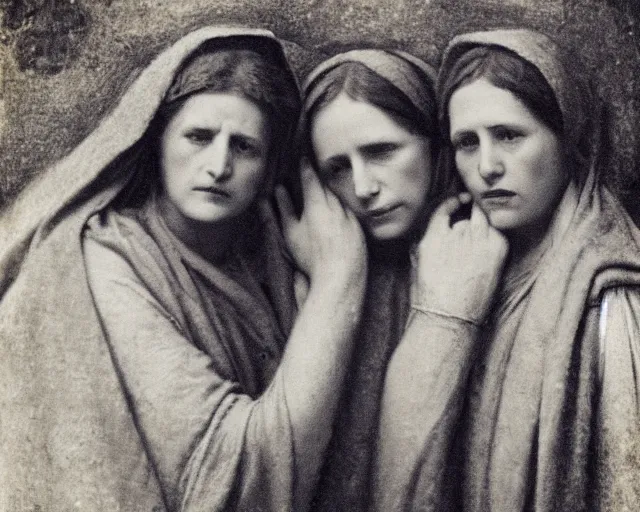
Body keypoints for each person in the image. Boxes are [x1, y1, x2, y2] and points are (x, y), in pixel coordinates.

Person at [0, 26, 368, 511]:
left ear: (269, 164)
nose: (218, 165)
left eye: (244, 147)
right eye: (198, 137)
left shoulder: (270, 254)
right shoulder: (106, 262)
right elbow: (244, 476)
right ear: (158, 142)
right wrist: (340, 280)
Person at [375, 28, 640, 511]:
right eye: (466, 143)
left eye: (509, 136)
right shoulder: (460, 268)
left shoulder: (611, 294)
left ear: (568, 139)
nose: (487, 167)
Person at [302, 49, 507, 511]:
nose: (362, 188)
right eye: (338, 168)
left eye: (381, 152)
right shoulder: (318, 277)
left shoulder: (491, 257)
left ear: (435, 145)